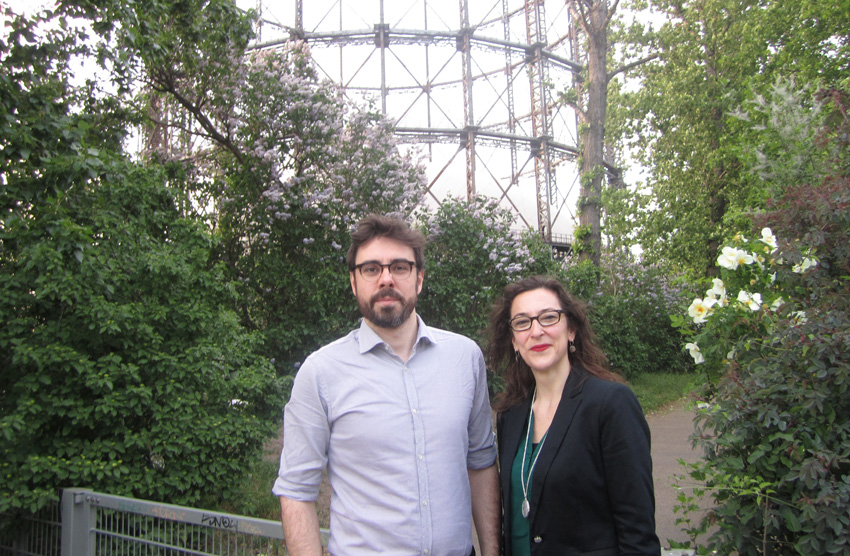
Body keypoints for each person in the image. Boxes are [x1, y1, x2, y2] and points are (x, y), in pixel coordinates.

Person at [272, 214, 501, 556]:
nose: (386, 279)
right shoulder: (320, 372)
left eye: (400, 267)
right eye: (371, 269)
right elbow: (296, 490)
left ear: (419, 279)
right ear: (353, 282)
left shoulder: (465, 358)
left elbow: (481, 463)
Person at [486, 276, 661, 556]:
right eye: (522, 322)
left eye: (549, 317)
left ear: (571, 330)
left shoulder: (610, 405)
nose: (536, 331)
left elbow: (637, 532)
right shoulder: (511, 414)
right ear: (514, 341)